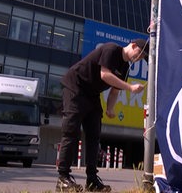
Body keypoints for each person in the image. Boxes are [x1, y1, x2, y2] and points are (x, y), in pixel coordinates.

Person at [56, 39, 149, 192]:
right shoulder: (112, 49)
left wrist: (110, 109)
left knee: (94, 134)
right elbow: (105, 75)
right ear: (133, 46)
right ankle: (63, 178)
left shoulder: (125, 67)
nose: (139, 58)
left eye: (142, 57)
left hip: (92, 94)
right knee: (71, 132)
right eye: (140, 53)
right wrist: (130, 87)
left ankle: (92, 180)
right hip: (76, 86)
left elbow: (115, 90)